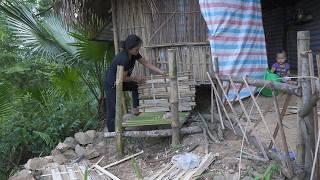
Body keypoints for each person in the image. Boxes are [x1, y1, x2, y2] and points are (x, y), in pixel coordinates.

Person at [104, 34, 165, 132]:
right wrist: (136, 77)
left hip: (120, 80)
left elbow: (146, 63)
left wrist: (161, 72)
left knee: (135, 86)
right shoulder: (123, 59)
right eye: (136, 49)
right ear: (129, 48)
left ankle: (135, 109)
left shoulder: (134, 54)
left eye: (138, 48)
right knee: (112, 109)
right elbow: (122, 78)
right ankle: (112, 132)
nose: (138, 50)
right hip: (111, 83)